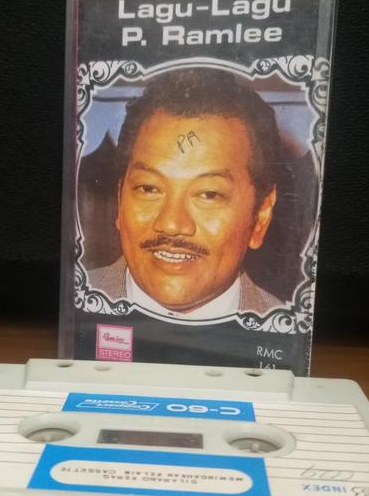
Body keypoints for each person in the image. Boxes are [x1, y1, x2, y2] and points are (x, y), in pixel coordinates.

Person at [88, 67, 283, 319]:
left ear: (260, 217)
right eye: (149, 188)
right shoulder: (72, 306)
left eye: (209, 194)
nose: (171, 224)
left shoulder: (287, 329)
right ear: (120, 200)